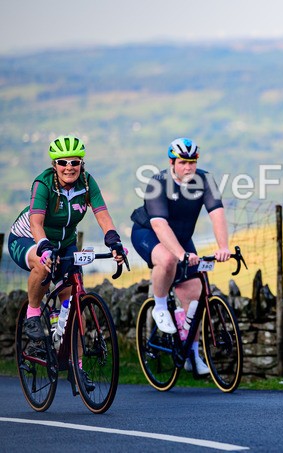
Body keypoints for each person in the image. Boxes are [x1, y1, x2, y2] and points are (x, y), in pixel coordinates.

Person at [8, 136, 127, 344]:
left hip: (64, 243)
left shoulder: (87, 183)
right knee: (42, 265)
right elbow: (36, 223)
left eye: (75, 162)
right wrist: (43, 247)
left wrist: (114, 241)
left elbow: (102, 215)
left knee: (73, 304)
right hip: (27, 237)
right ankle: (33, 314)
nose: (69, 167)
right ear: (55, 165)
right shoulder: (43, 183)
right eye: (63, 162)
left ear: (82, 164)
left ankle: (77, 368)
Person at [130, 137, 231, 376]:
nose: (188, 167)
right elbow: (159, 224)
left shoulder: (205, 180)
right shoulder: (158, 182)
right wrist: (181, 254)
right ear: (172, 162)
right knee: (167, 260)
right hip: (149, 233)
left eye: (192, 162)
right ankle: (160, 306)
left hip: (182, 239)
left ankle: (192, 355)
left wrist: (223, 246)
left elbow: (217, 213)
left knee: (194, 294)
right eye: (183, 162)